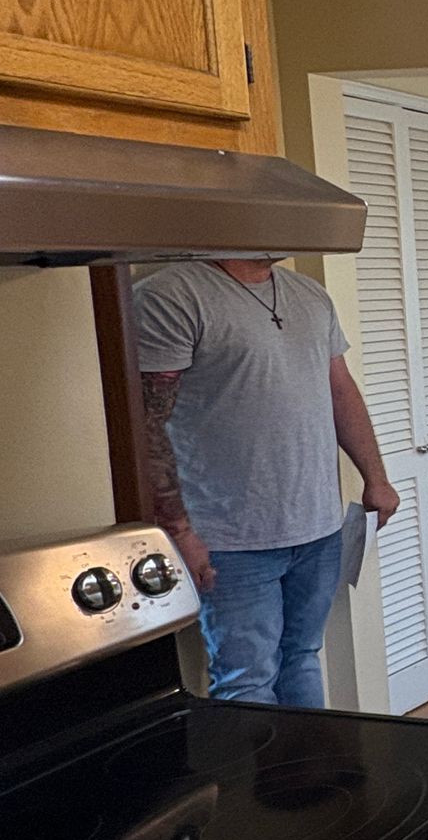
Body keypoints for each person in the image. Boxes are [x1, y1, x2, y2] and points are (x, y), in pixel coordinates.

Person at [134, 257, 400, 707]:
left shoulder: (310, 295)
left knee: (302, 657)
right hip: (229, 540)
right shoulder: (172, 295)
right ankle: (261, 761)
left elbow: (340, 391)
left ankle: (308, 757)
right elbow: (144, 425)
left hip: (319, 529)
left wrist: (376, 477)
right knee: (246, 681)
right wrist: (177, 530)